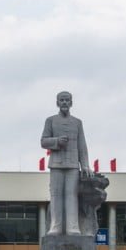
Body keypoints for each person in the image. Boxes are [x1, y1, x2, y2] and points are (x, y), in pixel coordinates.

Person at [40, 91, 93, 235]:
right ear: (57, 103)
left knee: (72, 195)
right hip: (56, 164)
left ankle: (72, 227)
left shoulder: (77, 122)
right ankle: (55, 226)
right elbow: (43, 141)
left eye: (67, 100)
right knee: (56, 195)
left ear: (71, 103)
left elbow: (82, 146)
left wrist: (85, 165)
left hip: (73, 166)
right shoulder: (50, 120)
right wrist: (56, 141)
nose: (64, 102)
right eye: (61, 100)